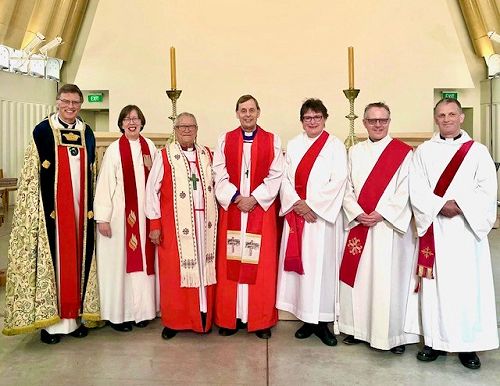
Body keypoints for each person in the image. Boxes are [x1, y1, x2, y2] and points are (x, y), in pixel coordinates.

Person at [2, 84, 99, 344]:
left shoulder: (87, 132)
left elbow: (93, 172)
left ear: (80, 104)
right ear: (57, 102)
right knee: (56, 261)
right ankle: (52, 325)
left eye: (75, 102)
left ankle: (75, 318)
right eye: (66, 101)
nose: (70, 106)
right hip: (52, 214)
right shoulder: (43, 131)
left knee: (79, 260)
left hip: (81, 214)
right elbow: (31, 174)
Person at [406, 98, 499, 369]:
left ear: (461, 117)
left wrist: (459, 205)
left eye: (451, 114)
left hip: (466, 233)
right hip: (435, 230)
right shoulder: (424, 151)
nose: (446, 119)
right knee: (436, 289)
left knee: (466, 289)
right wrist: (439, 205)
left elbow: (486, 189)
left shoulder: (478, 152)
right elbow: (417, 186)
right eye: (441, 115)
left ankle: (467, 346)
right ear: (435, 119)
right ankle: (435, 342)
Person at [339, 102, 419, 353]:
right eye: (372, 120)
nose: (377, 125)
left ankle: (392, 337)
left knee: (388, 282)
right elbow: (346, 188)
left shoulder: (405, 153)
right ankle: (357, 329)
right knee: (360, 280)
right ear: (364, 123)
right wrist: (357, 212)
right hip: (360, 226)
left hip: (388, 229)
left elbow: (407, 189)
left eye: (382, 120)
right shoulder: (354, 152)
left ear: (389, 121)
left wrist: (382, 213)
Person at [276, 98, 347, 346]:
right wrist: (297, 203)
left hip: (321, 221)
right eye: (308, 118)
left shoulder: (336, 146)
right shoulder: (293, 145)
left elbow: (339, 181)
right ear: (302, 121)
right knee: (303, 270)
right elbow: (283, 178)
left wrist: (312, 205)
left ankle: (323, 323)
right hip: (297, 217)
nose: (313, 122)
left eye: (317, 117)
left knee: (322, 270)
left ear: (325, 118)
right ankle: (307, 319)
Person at [213, 94, 284, 339]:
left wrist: (255, 198)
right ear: (236, 113)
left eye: (251, 110)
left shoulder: (272, 140)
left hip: (259, 211)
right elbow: (218, 173)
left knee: (260, 266)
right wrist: (235, 197)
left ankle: (260, 320)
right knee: (230, 263)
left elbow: (276, 175)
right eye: (243, 110)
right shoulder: (225, 139)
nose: (247, 114)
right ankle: (229, 318)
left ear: (258, 112)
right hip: (233, 209)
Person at [145, 112, 217, 339]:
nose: (186, 130)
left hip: (206, 225)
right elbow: (151, 191)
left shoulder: (208, 155)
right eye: (181, 127)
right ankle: (175, 322)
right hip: (175, 226)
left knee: (205, 273)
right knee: (174, 276)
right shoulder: (165, 156)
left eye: (190, 126)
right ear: (175, 131)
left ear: (197, 129)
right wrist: (154, 223)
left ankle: (204, 317)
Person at [94, 105, 158, 332]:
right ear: (121, 123)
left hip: (145, 216)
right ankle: (119, 315)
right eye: (127, 119)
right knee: (120, 267)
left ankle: (143, 312)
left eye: (136, 118)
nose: (132, 122)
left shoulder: (149, 146)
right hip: (120, 219)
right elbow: (104, 185)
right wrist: (103, 217)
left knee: (144, 266)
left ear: (142, 122)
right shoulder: (113, 150)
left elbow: (156, 182)